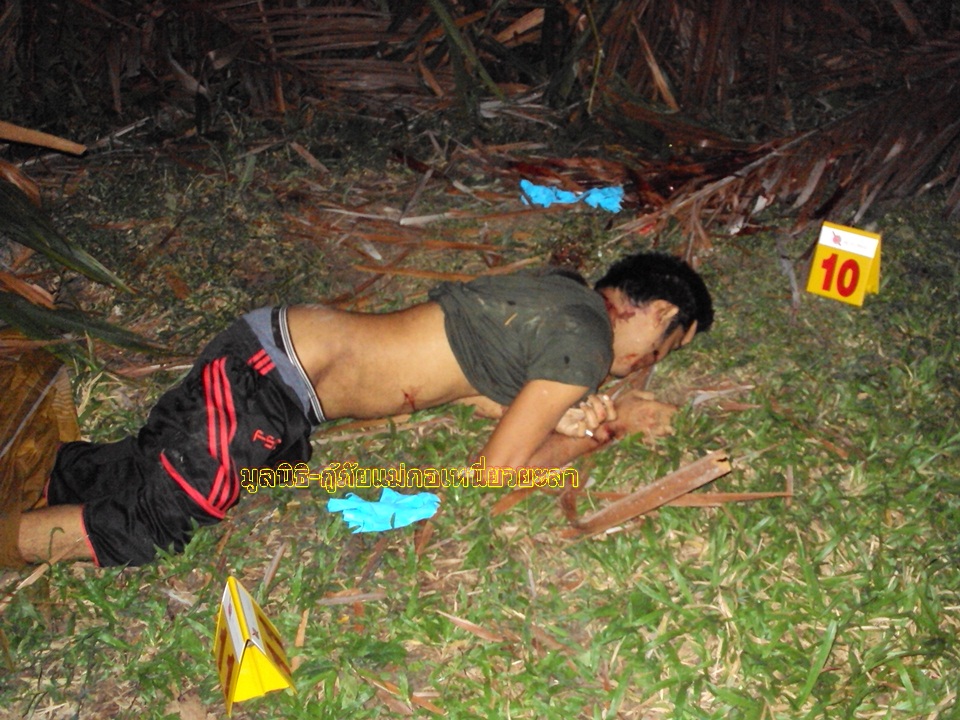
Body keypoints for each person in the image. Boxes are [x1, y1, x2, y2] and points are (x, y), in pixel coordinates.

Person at [5, 252, 713, 568]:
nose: (648, 363)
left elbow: (477, 389)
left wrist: (561, 416)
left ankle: (56, 475)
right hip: (273, 379)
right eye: (664, 346)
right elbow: (494, 477)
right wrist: (607, 432)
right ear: (656, 311)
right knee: (153, 526)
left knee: (153, 471)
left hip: (277, 372)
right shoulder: (587, 339)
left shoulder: (558, 297)